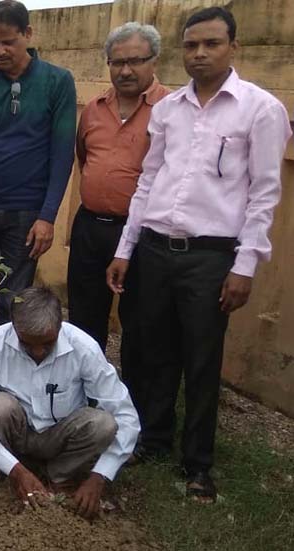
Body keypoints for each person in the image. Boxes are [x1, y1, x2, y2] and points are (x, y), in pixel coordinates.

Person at [106, 7, 292, 502]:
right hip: (155, 247)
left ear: (235, 48)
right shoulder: (168, 110)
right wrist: (127, 247)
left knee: (202, 359)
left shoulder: (259, 110)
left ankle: (198, 465)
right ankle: (153, 438)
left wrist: (244, 264)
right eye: (191, 46)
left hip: (211, 257)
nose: (200, 54)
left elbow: (265, 193)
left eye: (210, 44)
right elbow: (148, 181)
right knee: (153, 351)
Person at [0, 0, 76, 367]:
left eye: (8, 41)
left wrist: (48, 216)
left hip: (27, 216)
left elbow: (62, 152)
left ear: (28, 34)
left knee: (13, 302)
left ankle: (7, 373)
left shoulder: (58, 82)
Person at [0, 287, 139, 519]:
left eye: (47, 343)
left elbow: (126, 418)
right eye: (27, 344)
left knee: (103, 423)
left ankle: (61, 476)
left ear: (59, 326)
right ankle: (3, 464)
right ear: (14, 328)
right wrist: (15, 470)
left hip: (60, 437)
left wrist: (100, 476)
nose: (38, 352)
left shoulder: (83, 348)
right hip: (17, 433)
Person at [69, 22, 170, 417]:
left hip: (145, 236)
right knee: (83, 319)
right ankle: (83, 399)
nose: (126, 70)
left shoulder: (171, 109)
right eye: (117, 62)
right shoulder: (93, 110)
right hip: (91, 226)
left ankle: (133, 408)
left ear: (153, 61)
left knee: (141, 324)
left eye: (135, 61)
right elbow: (84, 159)